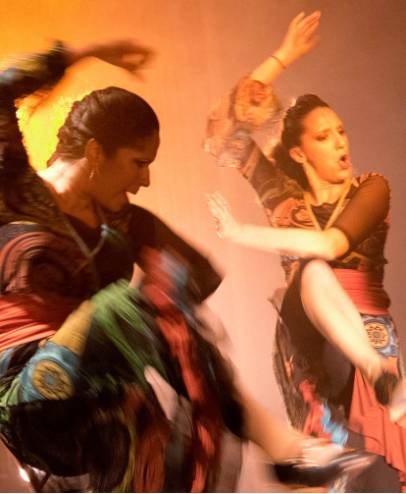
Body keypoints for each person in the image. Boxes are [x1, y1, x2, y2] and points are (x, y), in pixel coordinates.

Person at [0, 37, 371, 493]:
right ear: (96, 152)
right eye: (138, 163)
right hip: (28, 397)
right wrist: (84, 55)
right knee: (126, 307)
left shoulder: (128, 225)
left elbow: (191, 293)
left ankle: (287, 456)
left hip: (100, 415)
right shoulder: (15, 190)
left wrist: (176, 307)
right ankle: (284, 447)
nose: (145, 180)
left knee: (161, 446)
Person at [206, 11, 406, 492]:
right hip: (307, 339)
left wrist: (241, 233)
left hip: (364, 331)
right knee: (327, 463)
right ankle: (378, 376)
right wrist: (282, 57)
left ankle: (378, 374)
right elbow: (221, 133)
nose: (339, 142)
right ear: (298, 153)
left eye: (341, 132)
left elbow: (331, 243)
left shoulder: (371, 188)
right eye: (323, 136)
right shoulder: (282, 197)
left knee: (378, 471)